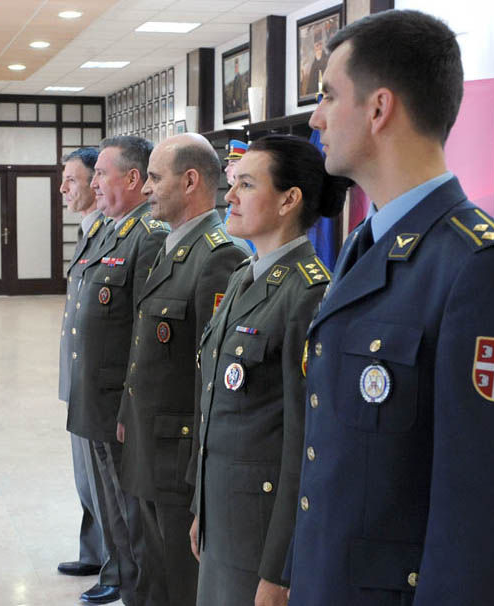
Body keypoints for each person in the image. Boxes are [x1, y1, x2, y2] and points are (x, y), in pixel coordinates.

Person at [283, 10, 494, 604]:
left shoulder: (480, 270)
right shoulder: (363, 245)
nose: (315, 116)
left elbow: (487, 516)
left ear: (379, 109)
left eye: (329, 95)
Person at [190, 135, 348, 606]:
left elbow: (305, 442)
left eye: (245, 184)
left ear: (288, 200)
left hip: (261, 535)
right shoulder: (243, 277)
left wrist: (281, 566)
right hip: (222, 516)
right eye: (232, 183)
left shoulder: (307, 294)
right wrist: (202, 508)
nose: (229, 196)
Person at [117, 134, 247, 606]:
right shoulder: (172, 247)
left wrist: (198, 467)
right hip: (150, 445)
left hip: (179, 459)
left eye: (154, 177)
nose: (146, 188)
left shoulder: (218, 257)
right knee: (154, 573)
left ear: (190, 181)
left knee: (177, 581)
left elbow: (209, 377)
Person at [68, 136, 169, 605]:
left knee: (129, 512)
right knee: (109, 508)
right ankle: (122, 580)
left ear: (133, 179)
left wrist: (130, 405)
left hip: (118, 402)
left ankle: (134, 589)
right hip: (95, 394)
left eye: (101, 174)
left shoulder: (148, 236)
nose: (94, 184)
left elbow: (144, 334)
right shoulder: (111, 230)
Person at [57, 147, 112, 584]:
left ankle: (114, 566)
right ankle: (93, 553)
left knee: (104, 482)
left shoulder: (114, 235)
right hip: (80, 377)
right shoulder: (88, 232)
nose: (64, 189)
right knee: (85, 477)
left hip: (100, 383)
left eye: (72, 180)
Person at [301, 28, 329, 97]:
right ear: (314, 47)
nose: (319, 47)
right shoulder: (311, 60)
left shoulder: (327, 58)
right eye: (317, 45)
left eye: (320, 44)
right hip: (313, 91)